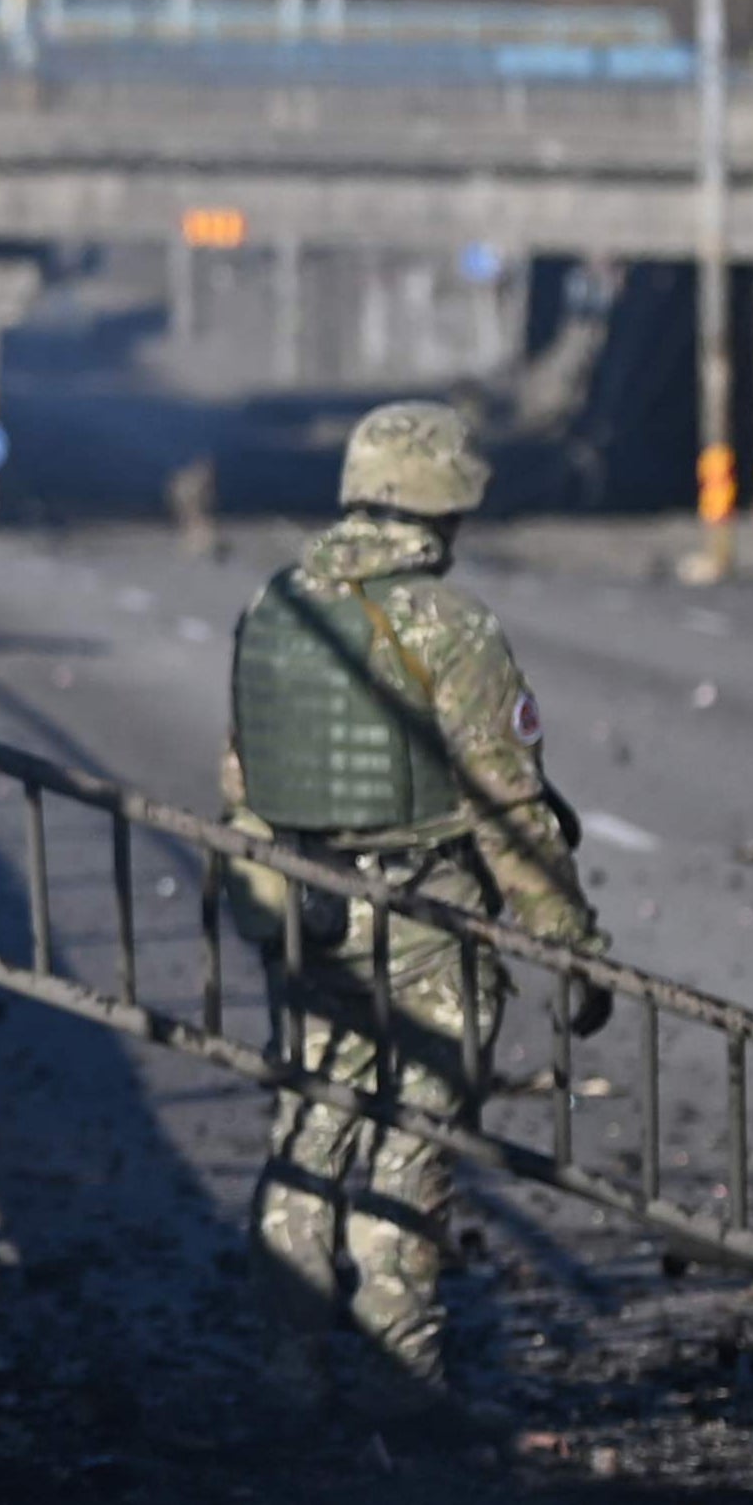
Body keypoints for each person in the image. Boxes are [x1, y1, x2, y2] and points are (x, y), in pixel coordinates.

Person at [221, 398, 608, 1388]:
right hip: (424, 917)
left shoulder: (277, 604)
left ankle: (284, 1371)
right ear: (444, 506)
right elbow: (507, 807)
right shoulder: (453, 626)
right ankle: (403, 1380)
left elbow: (244, 774)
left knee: (310, 1128)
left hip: (306, 909)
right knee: (411, 1139)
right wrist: (569, 939)